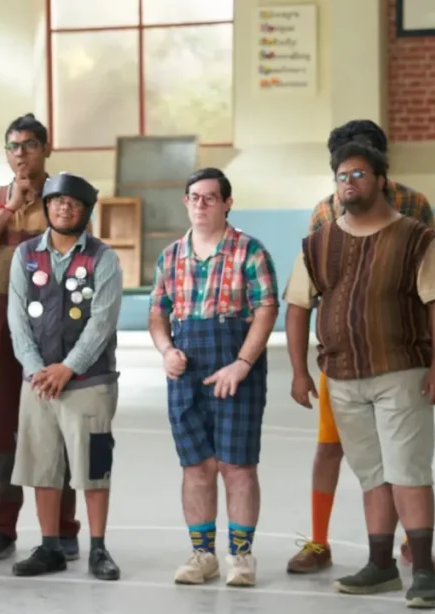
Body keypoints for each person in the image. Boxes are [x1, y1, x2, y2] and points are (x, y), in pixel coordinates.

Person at [284, 141, 435, 609]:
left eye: (359, 174)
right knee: (373, 475)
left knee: (408, 472)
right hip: (343, 376)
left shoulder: (415, 238)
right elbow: (298, 306)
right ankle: (381, 564)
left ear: (382, 180)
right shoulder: (318, 242)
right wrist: (300, 372)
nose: (349, 183)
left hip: (401, 372)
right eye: (342, 176)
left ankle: (422, 571)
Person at [147, 168, 279, 587]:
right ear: (186, 202)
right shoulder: (170, 256)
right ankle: (202, 555)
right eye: (194, 197)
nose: (201, 204)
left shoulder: (250, 251)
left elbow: (267, 309)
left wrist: (242, 362)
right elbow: (157, 313)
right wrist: (166, 350)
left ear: (227, 203)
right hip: (186, 368)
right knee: (196, 466)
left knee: (236, 465)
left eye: (210, 197)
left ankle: (240, 556)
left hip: (235, 365)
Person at [0, 113, 82, 562]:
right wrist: (8, 209)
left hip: (55, 323)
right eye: (13, 147)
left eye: (30, 145)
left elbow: (82, 256)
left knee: (56, 420)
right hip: (0, 321)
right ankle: (0, 526)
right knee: (3, 423)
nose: (21, 154)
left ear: (46, 149)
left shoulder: (65, 198)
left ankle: (63, 527)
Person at [5, 173, 123, 581]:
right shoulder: (25, 256)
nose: (64, 208)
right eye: (57, 201)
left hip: (90, 383)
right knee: (43, 466)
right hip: (38, 383)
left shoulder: (103, 258)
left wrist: (68, 367)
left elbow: (102, 321)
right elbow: (17, 319)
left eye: (73, 203)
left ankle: (99, 548)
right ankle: (50, 546)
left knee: (94, 466)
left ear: (86, 211)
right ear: (47, 206)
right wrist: (36, 370)